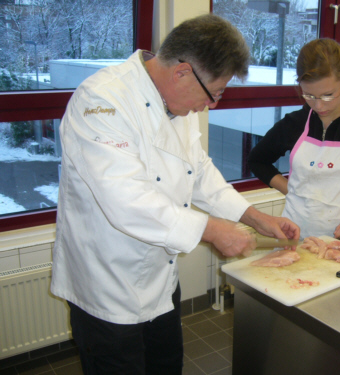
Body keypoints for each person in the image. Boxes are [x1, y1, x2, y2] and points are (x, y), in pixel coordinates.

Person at [50, 14, 299, 375]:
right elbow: (126, 200)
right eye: (214, 93)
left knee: (166, 367)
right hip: (107, 285)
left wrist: (256, 218)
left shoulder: (177, 102)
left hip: (159, 280)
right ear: (182, 72)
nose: (212, 105)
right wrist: (212, 230)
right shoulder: (100, 101)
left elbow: (197, 171)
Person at [248, 38, 340, 241]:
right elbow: (257, 160)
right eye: (309, 95)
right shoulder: (295, 123)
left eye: (328, 95)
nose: (319, 106)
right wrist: (291, 190)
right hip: (295, 238)